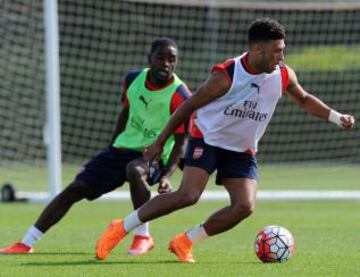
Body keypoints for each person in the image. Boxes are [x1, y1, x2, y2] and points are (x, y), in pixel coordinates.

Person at [95, 18, 355, 263]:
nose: (281, 57)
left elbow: (305, 99)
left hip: (242, 149)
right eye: (276, 51)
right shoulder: (227, 76)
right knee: (188, 195)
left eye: (282, 50)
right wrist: (161, 141)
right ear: (257, 49)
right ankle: (121, 228)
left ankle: (185, 241)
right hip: (207, 139)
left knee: (244, 206)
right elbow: (187, 107)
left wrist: (336, 116)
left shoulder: (283, 74)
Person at [0, 38, 192, 255]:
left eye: (172, 59)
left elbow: (181, 141)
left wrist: (166, 176)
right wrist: (110, 147)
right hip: (121, 150)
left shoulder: (180, 95)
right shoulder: (132, 79)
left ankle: (143, 236)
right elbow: (126, 112)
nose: (166, 63)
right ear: (150, 58)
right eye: (161, 57)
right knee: (76, 188)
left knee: (135, 170)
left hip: (155, 156)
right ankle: (26, 243)